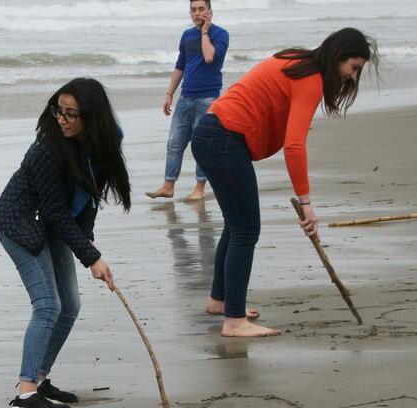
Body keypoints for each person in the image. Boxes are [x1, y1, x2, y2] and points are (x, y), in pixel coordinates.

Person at [190, 28, 377, 337]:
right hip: (222, 138)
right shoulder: (310, 79)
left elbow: (272, 107)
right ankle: (234, 321)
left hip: (213, 133)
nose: (353, 77)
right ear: (337, 57)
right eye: (353, 67)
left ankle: (219, 300)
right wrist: (306, 203)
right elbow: (293, 146)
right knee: (246, 229)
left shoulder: (295, 59)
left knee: (236, 224)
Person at [0, 78, 131, 408]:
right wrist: (91, 257)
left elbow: (88, 199)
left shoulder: (104, 141)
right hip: (21, 224)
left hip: (53, 225)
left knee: (70, 305)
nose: (63, 120)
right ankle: (25, 396)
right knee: (48, 305)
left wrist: (87, 242)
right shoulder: (46, 150)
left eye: (72, 114)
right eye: (59, 112)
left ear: (92, 118)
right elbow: (55, 211)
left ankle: (39, 381)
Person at [147, 0, 229, 202]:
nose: (197, 13)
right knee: (174, 143)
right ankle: (168, 185)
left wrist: (205, 31)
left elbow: (210, 57)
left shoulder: (220, 34)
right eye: (193, 10)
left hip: (208, 99)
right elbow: (180, 66)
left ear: (210, 12)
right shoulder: (186, 35)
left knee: (202, 145)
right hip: (185, 97)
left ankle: (199, 188)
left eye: (201, 9)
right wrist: (169, 93)